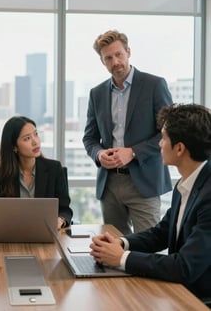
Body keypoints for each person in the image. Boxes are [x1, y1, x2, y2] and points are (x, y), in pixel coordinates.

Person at [90, 103, 211, 300]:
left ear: (179, 148)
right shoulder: (187, 183)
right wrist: (121, 243)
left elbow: (183, 266)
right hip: (181, 292)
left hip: (198, 300)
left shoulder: (208, 194)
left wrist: (121, 258)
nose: (159, 144)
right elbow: (161, 233)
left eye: (163, 138)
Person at [83, 29, 173, 234]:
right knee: (113, 249)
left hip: (144, 181)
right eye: (108, 58)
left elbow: (168, 132)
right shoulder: (96, 93)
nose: (115, 62)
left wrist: (132, 152)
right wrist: (99, 153)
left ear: (128, 52)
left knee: (147, 249)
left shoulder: (154, 85)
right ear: (102, 61)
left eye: (118, 55)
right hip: (109, 184)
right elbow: (89, 138)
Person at [0, 116, 72, 229]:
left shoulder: (54, 169)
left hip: (46, 235)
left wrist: (60, 220)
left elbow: (65, 210)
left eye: (36, 134)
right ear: (14, 147)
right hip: (11, 237)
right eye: (27, 138)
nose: (35, 142)